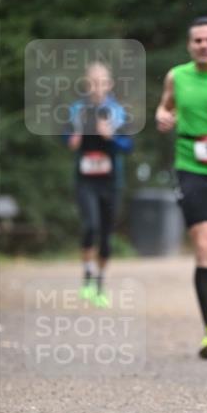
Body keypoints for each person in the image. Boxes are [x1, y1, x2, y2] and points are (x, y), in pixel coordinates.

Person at [156, 17, 207, 359]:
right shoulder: (177, 76)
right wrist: (163, 115)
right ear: (190, 45)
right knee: (204, 247)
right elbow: (166, 105)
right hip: (191, 167)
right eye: (197, 41)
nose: (203, 45)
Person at [66, 62, 132, 307]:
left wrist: (111, 138)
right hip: (85, 179)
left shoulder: (118, 112)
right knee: (90, 226)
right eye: (92, 81)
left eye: (102, 81)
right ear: (86, 83)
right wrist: (72, 140)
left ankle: (100, 285)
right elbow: (65, 137)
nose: (97, 86)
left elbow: (129, 146)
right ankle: (87, 274)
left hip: (111, 181)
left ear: (110, 84)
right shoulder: (77, 110)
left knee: (105, 235)